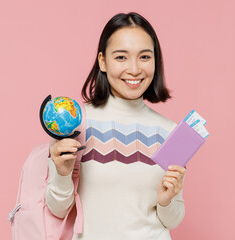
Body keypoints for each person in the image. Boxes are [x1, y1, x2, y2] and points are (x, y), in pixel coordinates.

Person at [45, 12, 186, 240]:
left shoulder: (171, 132)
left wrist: (167, 201)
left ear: (155, 61)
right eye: (121, 57)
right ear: (103, 61)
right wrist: (62, 174)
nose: (134, 69)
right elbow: (58, 209)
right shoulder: (74, 123)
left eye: (144, 57)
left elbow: (173, 219)